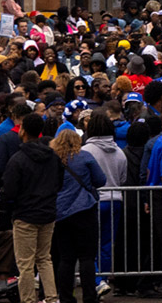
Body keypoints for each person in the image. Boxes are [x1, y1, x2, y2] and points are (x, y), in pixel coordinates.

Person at [0, 112, 67, 303]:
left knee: (25, 263)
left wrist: (6, 207)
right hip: (48, 212)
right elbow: (59, 182)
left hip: (25, 215)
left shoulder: (18, 159)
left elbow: (9, 191)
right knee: (45, 258)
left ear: (23, 131)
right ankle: (52, 298)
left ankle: (28, 299)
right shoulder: (53, 157)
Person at [51, 127, 108, 303]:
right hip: (85, 210)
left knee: (66, 259)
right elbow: (100, 180)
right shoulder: (85, 157)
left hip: (61, 212)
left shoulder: (53, 160)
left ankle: (66, 297)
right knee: (87, 257)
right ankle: (90, 296)